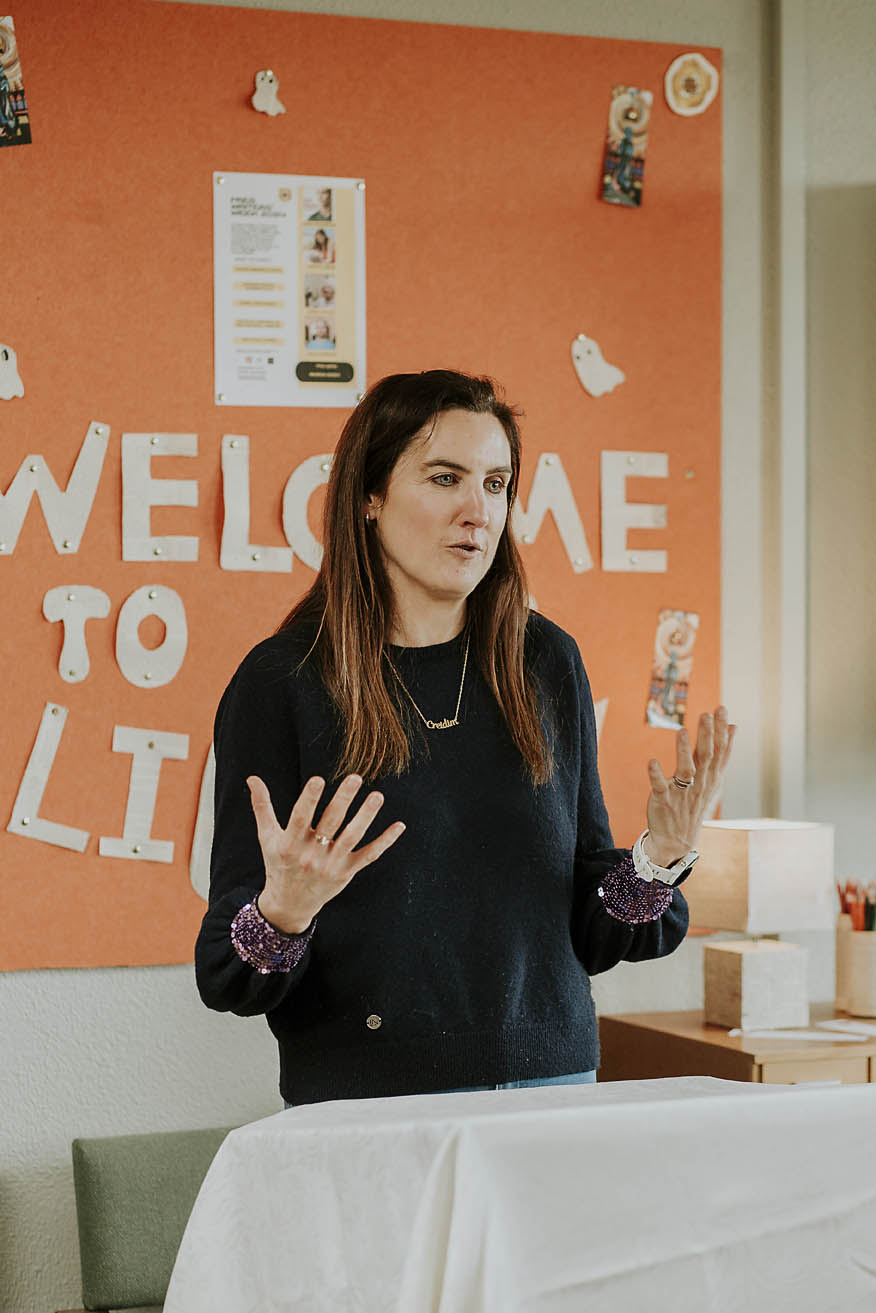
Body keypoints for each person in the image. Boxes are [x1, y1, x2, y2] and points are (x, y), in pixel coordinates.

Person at [195, 369, 734, 1106]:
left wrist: (660, 859)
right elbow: (228, 974)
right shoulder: (282, 680)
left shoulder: (545, 662)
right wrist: (285, 910)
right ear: (369, 498)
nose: (476, 510)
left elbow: (595, 929)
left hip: (551, 1087)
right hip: (367, 1107)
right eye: (445, 477)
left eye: (494, 483)